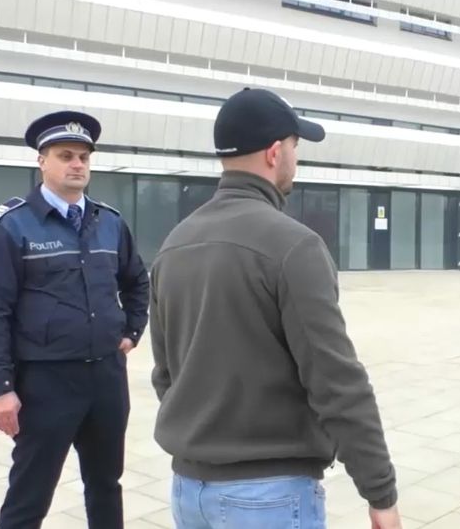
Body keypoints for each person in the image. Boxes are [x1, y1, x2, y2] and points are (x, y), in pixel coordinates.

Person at [149, 87, 401, 529]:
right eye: (294, 146)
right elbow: (336, 382)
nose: (295, 158)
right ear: (273, 152)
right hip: (266, 498)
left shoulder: (174, 244)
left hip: (189, 493)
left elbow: (165, 374)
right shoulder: (293, 246)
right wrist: (380, 493)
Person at [0, 110, 150, 529]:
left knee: (106, 485)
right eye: (65, 156)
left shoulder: (110, 222)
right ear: (42, 162)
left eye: (84, 157)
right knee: (30, 495)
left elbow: (137, 281)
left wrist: (131, 331)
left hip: (106, 378)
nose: (77, 165)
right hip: (46, 383)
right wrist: (0, 390)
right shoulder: (11, 226)